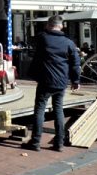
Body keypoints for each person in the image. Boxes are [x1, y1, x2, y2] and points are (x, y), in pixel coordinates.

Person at [23, 15, 80, 152]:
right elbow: (75, 64)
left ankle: (35, 142)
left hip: (45, 81)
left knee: (40, 109)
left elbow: (35, 51)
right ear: (61, 26)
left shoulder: (43, 38)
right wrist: (76, 80)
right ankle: (59, 143)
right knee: (58, 110)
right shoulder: (69, 43)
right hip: (61, 82)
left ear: (48, 25)